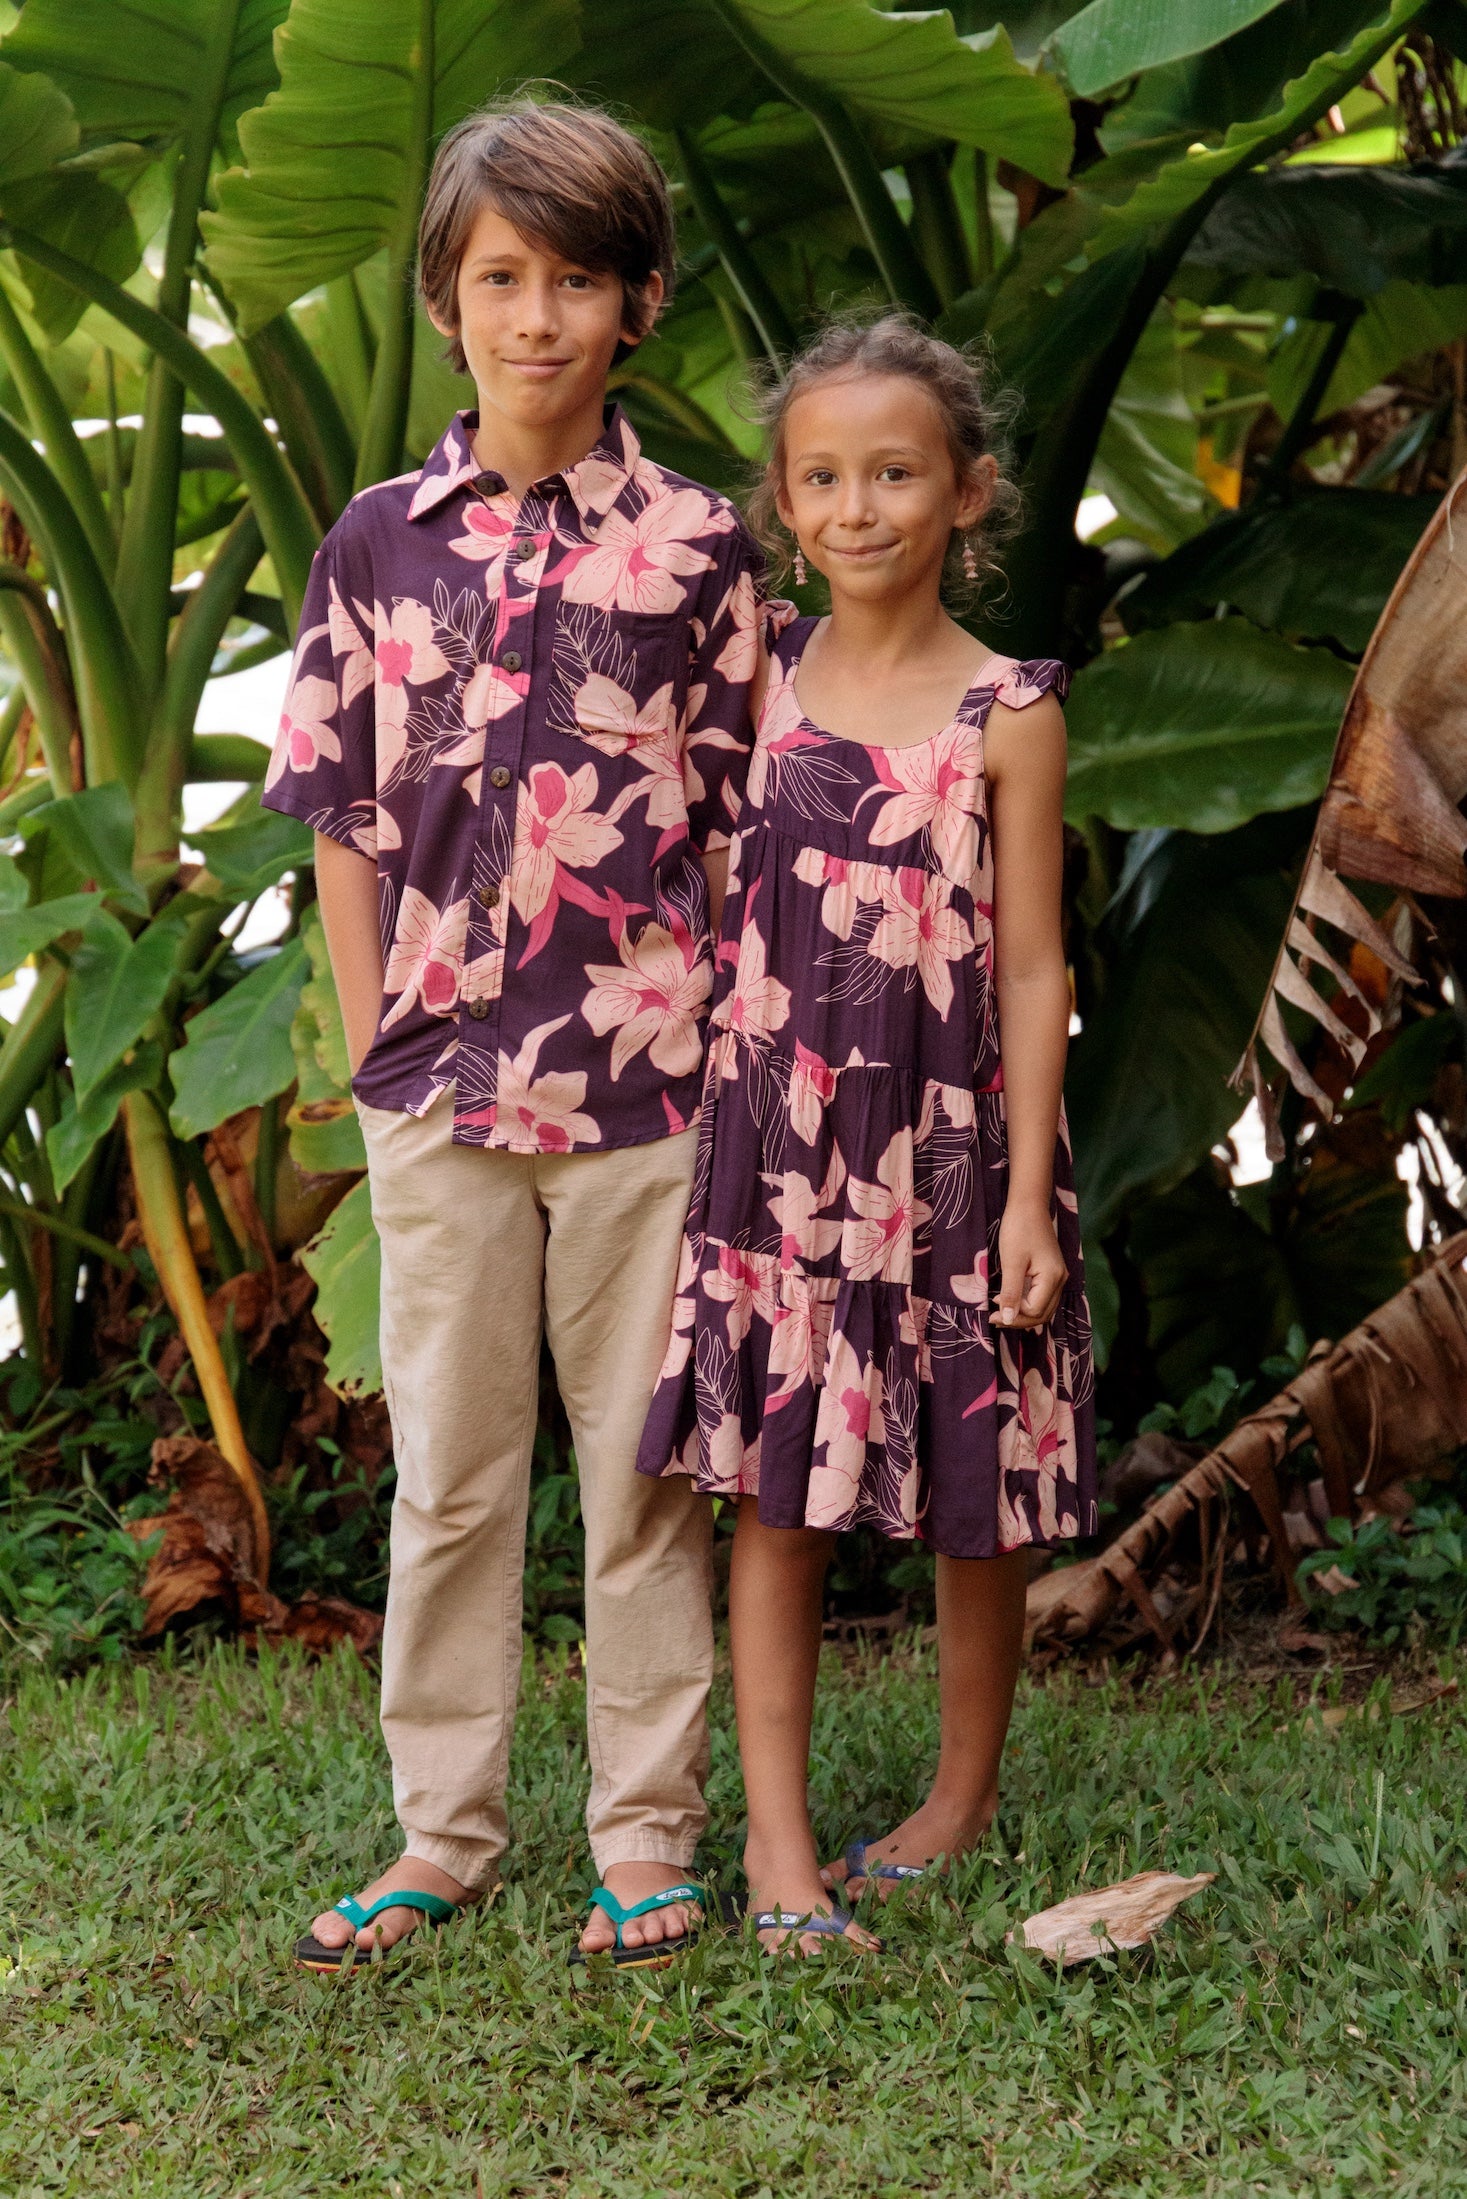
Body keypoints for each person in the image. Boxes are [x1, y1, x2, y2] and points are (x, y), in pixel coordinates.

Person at [264, 99, 772, 1971]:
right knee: (452, 1482)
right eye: (499, 278)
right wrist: (371, 1043)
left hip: (648, 1096)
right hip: (435, 1092)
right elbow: (342, 817)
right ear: (446, 298)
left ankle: (643, 1839)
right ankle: (441, 1835)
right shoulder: (376, 545)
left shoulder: (702, 550)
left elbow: (743, 824)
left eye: (575, 279)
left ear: (638, 305)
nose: (536, 316)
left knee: (639, 1487)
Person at [636, 315, 1097, 1953]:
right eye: (821, 476)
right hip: (776, 1159)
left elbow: (1036, 964)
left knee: (976, 1486)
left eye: (896, 473)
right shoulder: (754, 669)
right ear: (781, 498)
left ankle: (959, 1794)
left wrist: (1032, 1196)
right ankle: (773, 1842)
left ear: (970, 492)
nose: (857, 506)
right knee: (780, 1493)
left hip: (958, 1156)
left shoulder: (1008, 712)